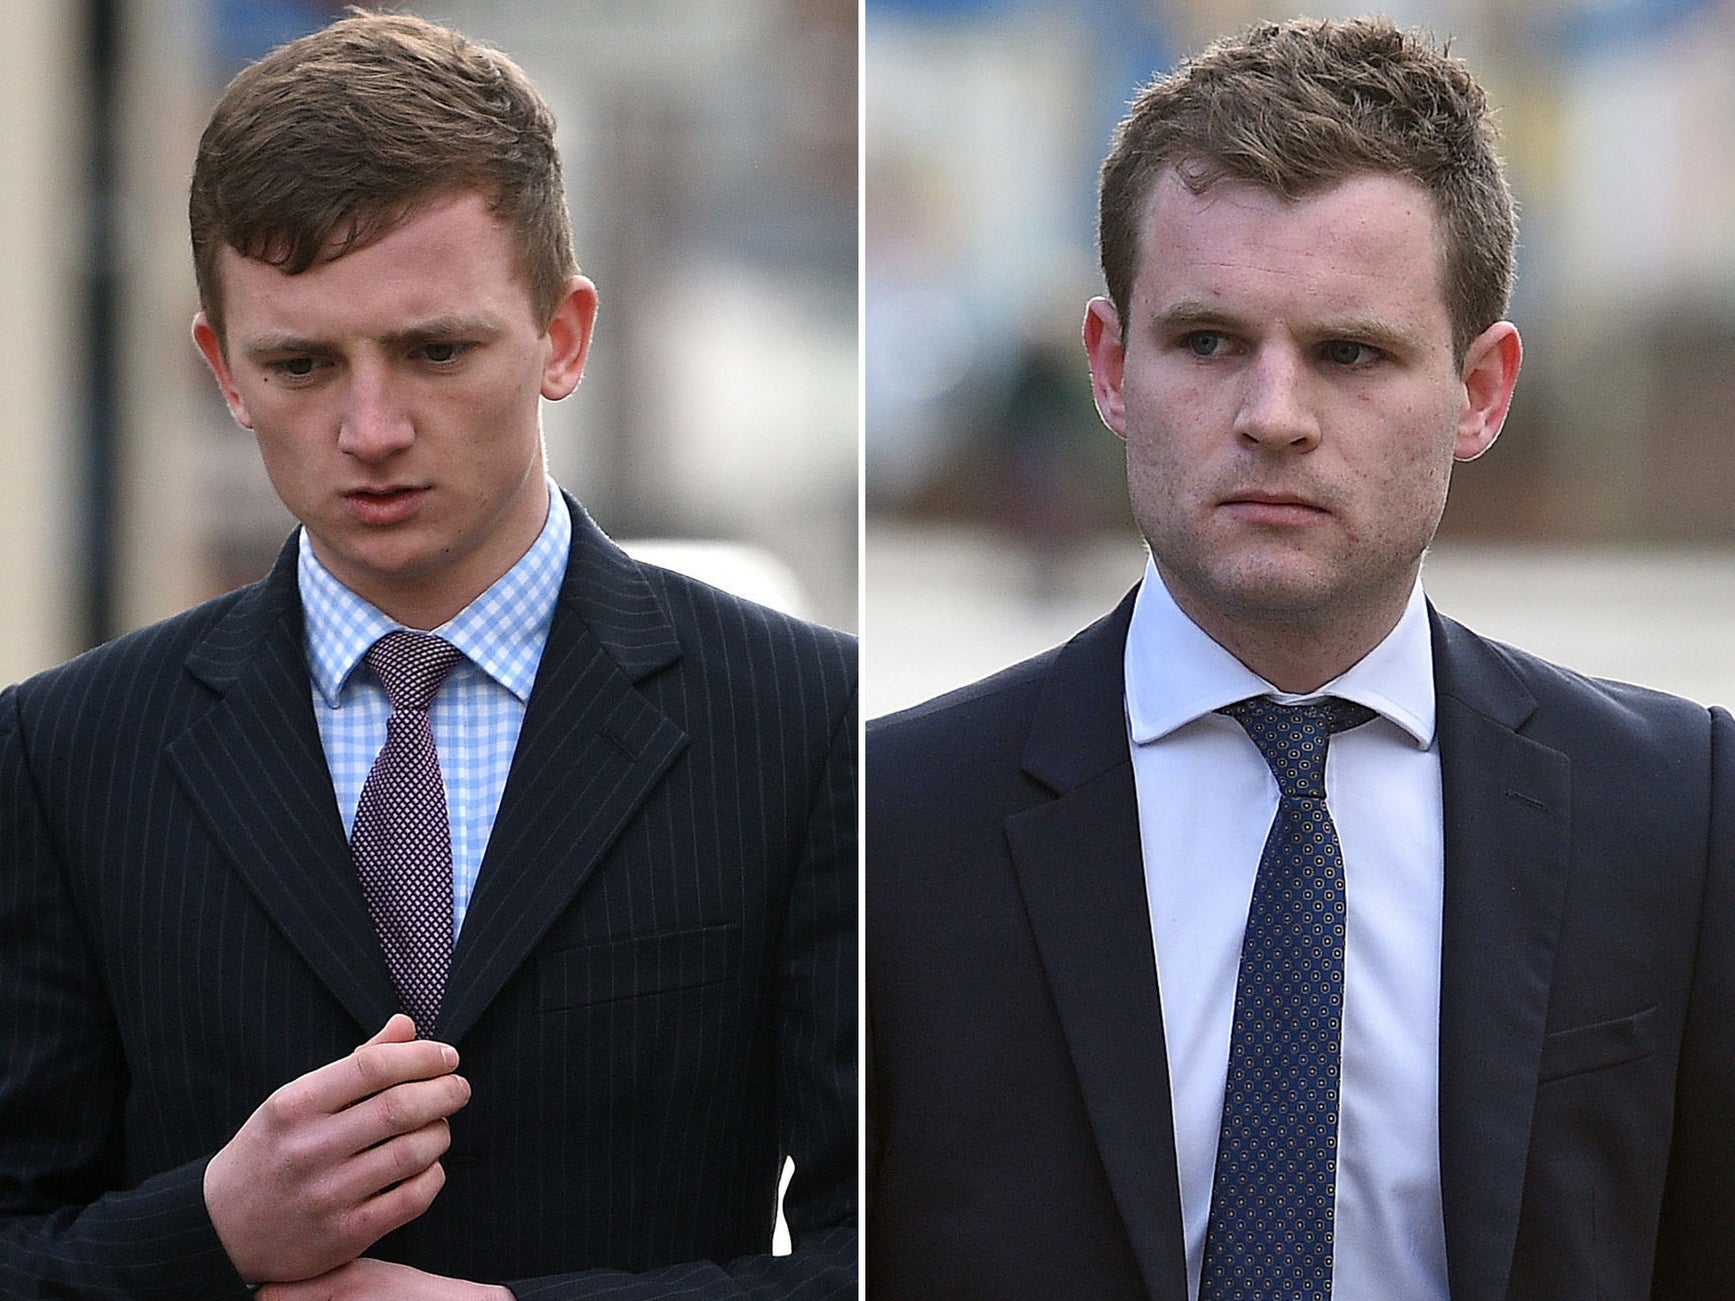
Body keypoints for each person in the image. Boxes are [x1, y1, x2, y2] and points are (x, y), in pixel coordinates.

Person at [867, 16, 1733, 1300]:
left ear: (1481, 388)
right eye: (1208, 341)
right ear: (1110, 366)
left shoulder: (1683, 809)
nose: (1273, 415)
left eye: (1350, 351)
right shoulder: (895, 817)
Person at [0, 11, 855, 1299]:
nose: (372, 426)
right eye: (299, 363)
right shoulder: (65, 753)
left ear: (563, 336)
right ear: (222, 370)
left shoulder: (803, 720)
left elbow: (895, 1247)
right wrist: (213, 1229)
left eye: (435, 349)